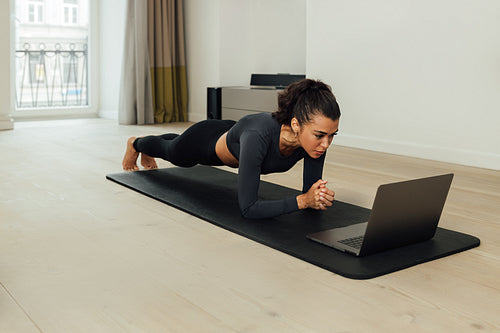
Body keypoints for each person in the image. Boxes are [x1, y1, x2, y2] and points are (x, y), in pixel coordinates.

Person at [122, 79, 341, 219]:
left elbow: (309, 193)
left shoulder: (313, 142)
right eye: (320, 136)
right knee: (172, 151)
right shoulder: (259, 137)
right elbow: (249, 208)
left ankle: (146, 143)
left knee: (173, 143)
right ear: (296, 124)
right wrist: (303, 201)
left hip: (236, 135)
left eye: (332, 135)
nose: (326, 144)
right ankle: (137, 143)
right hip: (204, 142)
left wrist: (316, 197)